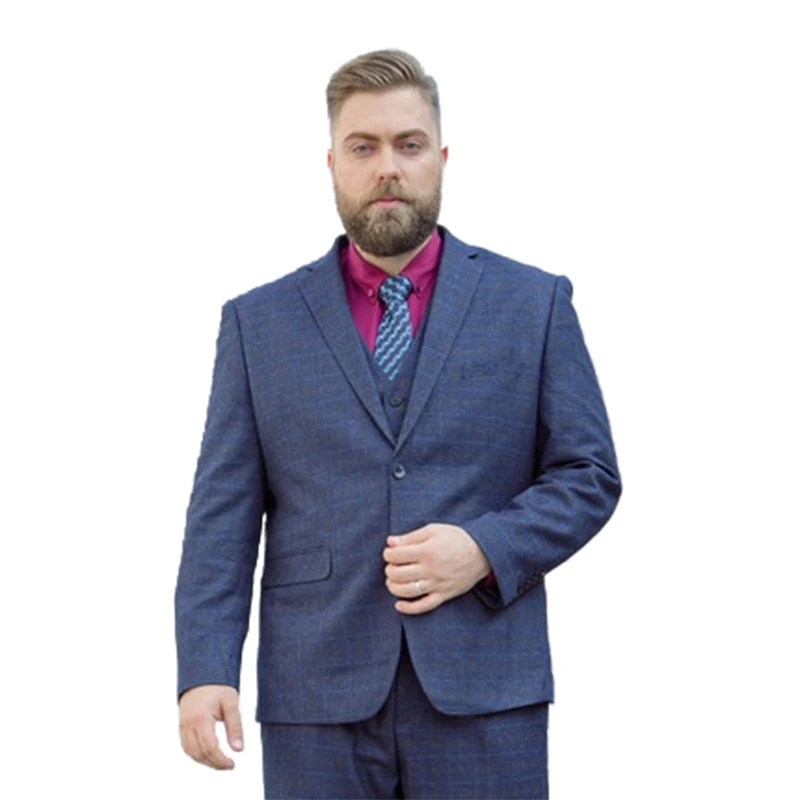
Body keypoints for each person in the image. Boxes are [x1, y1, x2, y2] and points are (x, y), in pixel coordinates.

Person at [174, 48, 621, 799]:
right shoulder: (258, 324)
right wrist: (205, 668)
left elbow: (589, 475)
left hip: (486, 691)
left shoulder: (532, 303)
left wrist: (485, 548)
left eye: (409, 145)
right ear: (331, 165)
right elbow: (222, 515)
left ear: (441, 159)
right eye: (364, 147)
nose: (388, 167)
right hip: (316, 696)